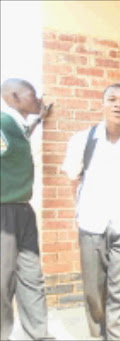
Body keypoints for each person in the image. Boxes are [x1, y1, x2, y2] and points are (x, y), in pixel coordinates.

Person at [61, 84, 120, 340]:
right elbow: (73, 178)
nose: (118, 105)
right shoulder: (83, 140)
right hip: (91, 222)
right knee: (94, 288)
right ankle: (97, 333)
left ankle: (115, 335)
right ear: (102, 104)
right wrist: (77, 213)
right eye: (112, 99)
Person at [0, 78, 54, 341]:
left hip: (23, 211)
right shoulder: (1, 123)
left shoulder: (16, 126)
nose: (38, 99)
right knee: (1, 281)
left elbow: (19, 140)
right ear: (14, 96)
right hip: (3, 213)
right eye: (32, 94)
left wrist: (39, 119)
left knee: (32, 275)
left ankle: (38, 333)